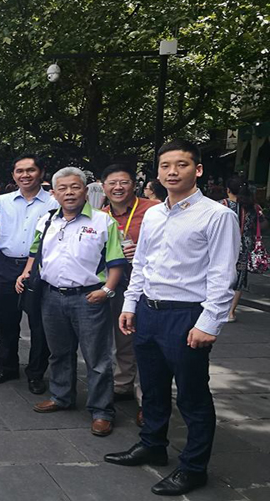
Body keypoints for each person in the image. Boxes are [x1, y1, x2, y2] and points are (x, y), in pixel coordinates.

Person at [105, 140, 240, 497]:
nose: (172, 172)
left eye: (181, 165)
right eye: (165, 166)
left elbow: (223, 274)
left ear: (198, 170)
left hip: (187, 314)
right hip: (149, 311)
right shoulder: (154, 214)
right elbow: (143, 263)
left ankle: (193, 467)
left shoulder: (217, 215)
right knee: (152, 387)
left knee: (192, 397)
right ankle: (152, 444)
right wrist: (130, 304)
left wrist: (209, 323)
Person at [17, 167, 126, 437]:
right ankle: (61, 396)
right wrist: (26, 273)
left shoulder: (103, 222)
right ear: (54, 193)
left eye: (75, 187)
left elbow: (116, 261)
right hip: (52, 296)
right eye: (62, 188)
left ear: (85, 191)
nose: (69, 193)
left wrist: (107, 291)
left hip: (89, 297)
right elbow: (35, 252)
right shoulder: (47, 221)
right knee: (59, 352)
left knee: (97, 357)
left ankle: (102, 411)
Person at [0, 154, 57, 393]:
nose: (25, 175)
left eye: (30, 170)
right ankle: (7, 366)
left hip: (40, 267)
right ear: (13, 175)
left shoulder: (53, 203)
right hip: (5, 265)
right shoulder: (2, 201)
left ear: (41, 173)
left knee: (38, 323)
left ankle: (36, 373)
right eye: (20, 171)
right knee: (5, 320)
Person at [100, 164, 160, 427]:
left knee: (145, 343)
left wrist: (144, 251)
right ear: (103, 186)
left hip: (148, 285)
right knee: (121, 336)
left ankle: (147, 401)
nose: (118, 188)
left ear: (134, 185)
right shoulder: (100, 216)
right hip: (116, 284)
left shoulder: (154, 210)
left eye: (124, 182)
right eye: (112, 183)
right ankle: (122, 384)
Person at [222, 175, 267, 322]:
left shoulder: (221, 205)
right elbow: (263, 224)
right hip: (245, 246)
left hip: (223, 246)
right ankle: (231, 312)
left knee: (220, 274)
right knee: (240, 278)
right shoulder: (253, 207)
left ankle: (218, 308)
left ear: (228, 190)